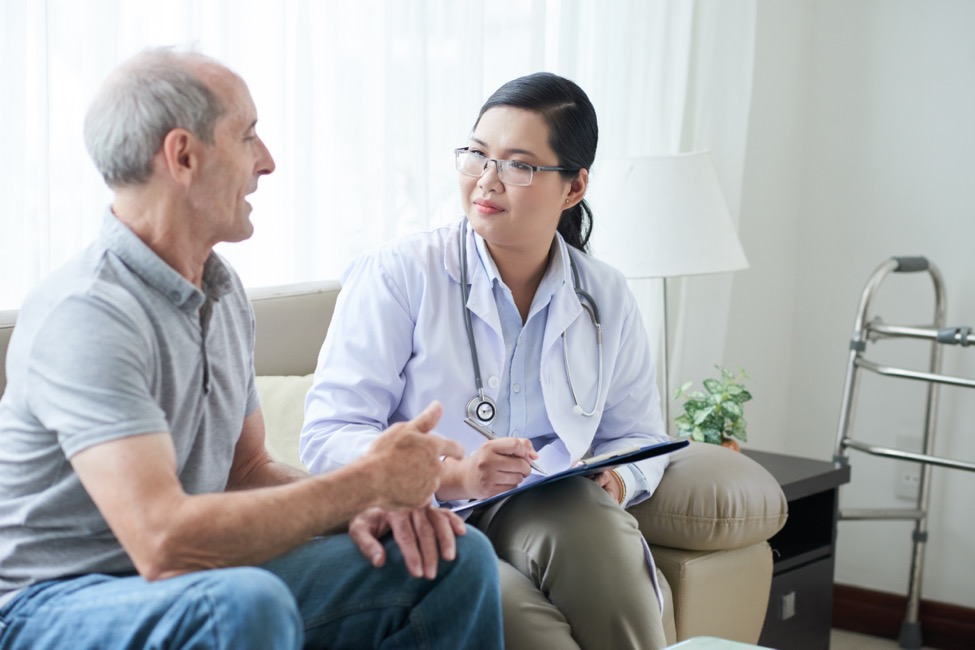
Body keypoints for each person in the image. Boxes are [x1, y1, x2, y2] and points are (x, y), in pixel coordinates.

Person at [0, 47, 502, 650]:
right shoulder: (88, 313)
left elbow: (246, 470)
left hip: (192, 584)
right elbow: (162, 541)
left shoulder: (221, 290)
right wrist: (364, 484)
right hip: (51, 602)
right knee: (241, 604)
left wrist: (371, 510)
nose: (268, 162)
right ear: (182, 156)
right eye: (248, 136)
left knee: (450, 557)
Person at [301, 72, 671, 649]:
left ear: (573, 188)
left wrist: (619, 478)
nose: (486, 181)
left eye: (518, 165)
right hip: (425, 511)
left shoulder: (604, 295)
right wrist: (451, 475)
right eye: (476, 155)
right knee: (513, 613)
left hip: (544, 502)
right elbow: (328, 434)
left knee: (598, 535)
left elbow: (638, 433)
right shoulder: (401, 273)